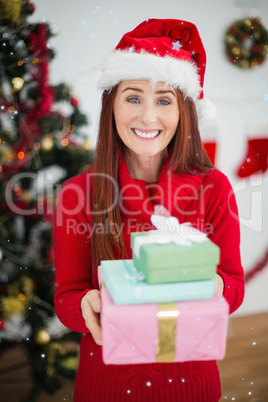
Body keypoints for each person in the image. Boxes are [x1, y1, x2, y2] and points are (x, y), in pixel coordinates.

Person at [54, 19, 245, 402]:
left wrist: (213, 285)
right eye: (133, 97)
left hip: (192, 384)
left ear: (182, 111)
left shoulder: (214, 189)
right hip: (106, 386)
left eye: (163, 100)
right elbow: (67, 298)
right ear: (112, 104)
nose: (147, 117)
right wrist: (85, 305)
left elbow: (234, 286)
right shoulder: (78, 195)